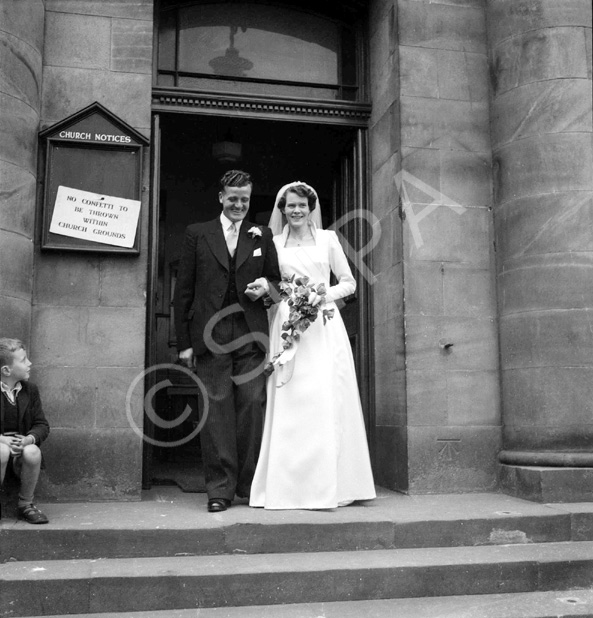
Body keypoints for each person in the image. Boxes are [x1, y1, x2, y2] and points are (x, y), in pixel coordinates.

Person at [249, 181, 376, 510]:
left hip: (323, 324)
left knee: (324, 396)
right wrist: (280, 293)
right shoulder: (274, 243)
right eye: (290, 206)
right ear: (282, 209)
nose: (296, 211)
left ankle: (330, 484)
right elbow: (275, 290)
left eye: (302, 206)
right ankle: (287, 487)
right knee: (292, 398)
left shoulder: (328, 239)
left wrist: (319, 295)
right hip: (289, 324)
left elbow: (348, 283)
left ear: (311, 209)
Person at [174, 170, 281, 513]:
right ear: (221, 197)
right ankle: (219, 488)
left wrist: (266, 287)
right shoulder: (198, 233)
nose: (238, 205)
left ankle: (250, 486)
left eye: (245, 199)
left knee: (252, 405)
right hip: (211, 334)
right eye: (233, 198)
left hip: (250, 331)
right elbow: (184, 291)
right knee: (216, 408)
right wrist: (184, 342)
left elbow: (277, 283)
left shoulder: (262, 234)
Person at [0, 338, 50, 524]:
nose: (29, 363)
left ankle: (26, 504)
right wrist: (3, 440)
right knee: (1, 451)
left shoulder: (30, 390)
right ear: (6, 370)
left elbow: (42, 425)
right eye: (23, 360)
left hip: (21, 450)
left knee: (33, 451)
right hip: (1, 447)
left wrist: (29, 439)